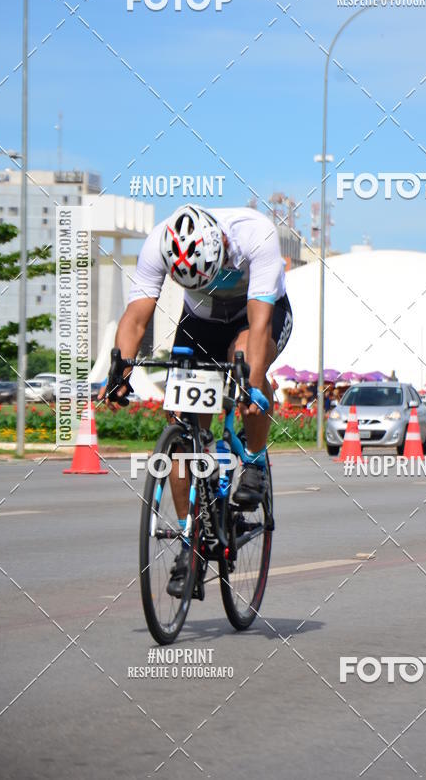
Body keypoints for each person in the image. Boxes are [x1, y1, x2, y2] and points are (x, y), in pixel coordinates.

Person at [102, 203, 293, 596]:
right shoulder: (159, 244)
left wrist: (251, 388)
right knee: (184, 433)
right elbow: (136, 318)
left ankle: (254, 460)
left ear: (222, 242)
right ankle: (192, 541)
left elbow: (259, 327)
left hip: (255, 315)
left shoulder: (255, 235)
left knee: (246, 363)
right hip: (201, 321)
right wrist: (119, 373)